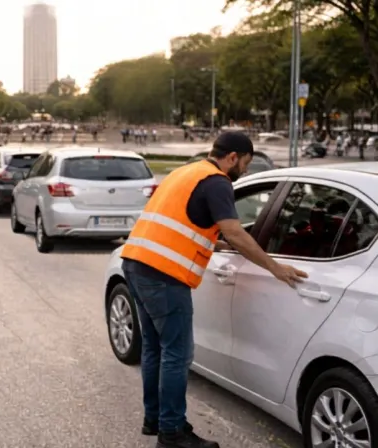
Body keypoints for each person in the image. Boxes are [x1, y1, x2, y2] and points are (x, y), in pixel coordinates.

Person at [120, 132, 307, 448]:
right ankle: (172, 434)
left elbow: (185, 223)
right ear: (233, 157)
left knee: (155, 348)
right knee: (178, 355)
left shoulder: (187, 172)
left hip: (136, 263)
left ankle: (157, 420)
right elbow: (235, 231)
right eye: (246, 163)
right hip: (164, 276)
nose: (245, 171)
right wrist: (275, 267)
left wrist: (213, 243)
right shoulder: (218, 181)